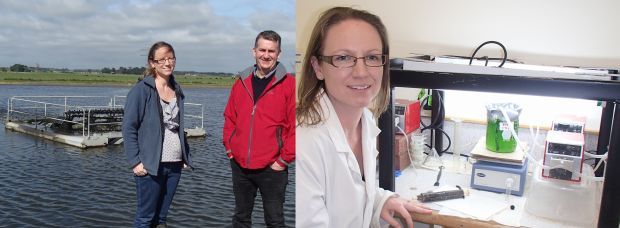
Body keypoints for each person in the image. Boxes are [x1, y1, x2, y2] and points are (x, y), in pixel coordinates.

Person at [296, 7, 432, 228]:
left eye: (371, 57)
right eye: (343, 58)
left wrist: (380, 200)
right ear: (317, 67)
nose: (361, 72)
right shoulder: (303, 144)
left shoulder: (365, 121)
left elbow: (348, 191)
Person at [222, 30, 295, 228]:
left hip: (273, 168)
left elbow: (295, 127)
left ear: (278, 54)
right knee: (240, 218)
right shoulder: (241, 82)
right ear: (254, 51)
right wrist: (230, 150)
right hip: (240, 166)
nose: (266, 55)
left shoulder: (289, 85)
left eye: (271, 51)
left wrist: (283, 160)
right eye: (262, 49)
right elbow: (230, 118)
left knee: (274, 221)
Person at [122, 41, 193, 228]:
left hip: (175, 165)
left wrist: (185, 153)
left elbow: (178, 126)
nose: (168, 63)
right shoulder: (141, 91)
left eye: (171, 58)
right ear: (152, 63)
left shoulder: (177, 90)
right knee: (145, 218)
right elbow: (129, 127)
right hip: (150, 165)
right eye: (162, 59)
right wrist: (135, 162)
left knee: (161, 218)